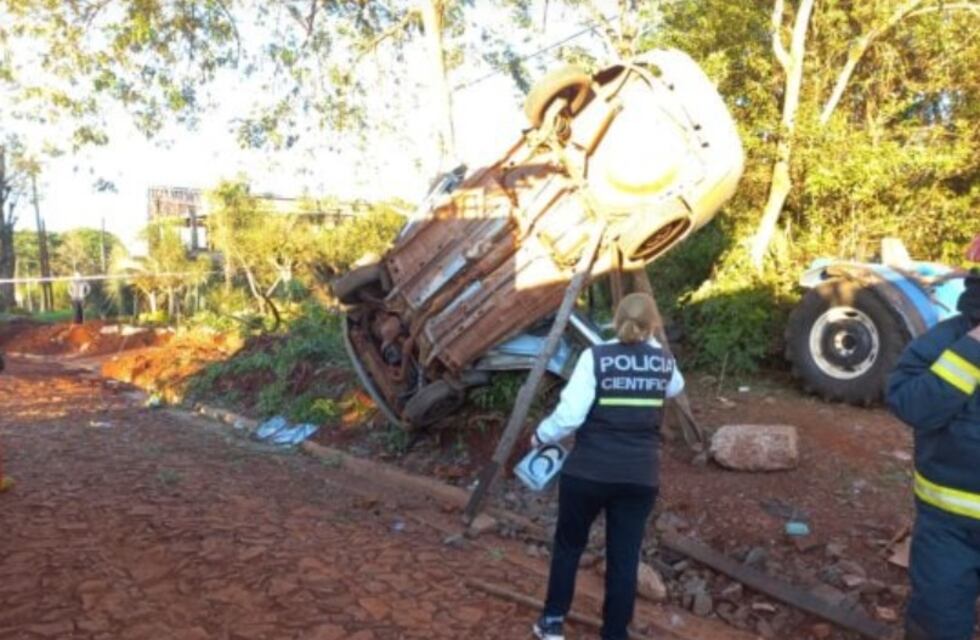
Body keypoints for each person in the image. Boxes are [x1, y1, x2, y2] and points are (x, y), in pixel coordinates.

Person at [531, 293, 684, 640]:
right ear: (653, 324)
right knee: (624, 558)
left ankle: (553, 622)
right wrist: (654, 344)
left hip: (588, 473)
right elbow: (677, 387)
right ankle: (615, 633)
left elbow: (570, 416)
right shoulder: (663, 361)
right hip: (639, 477)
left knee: (569, 546)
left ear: (616, 320)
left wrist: (541, 436)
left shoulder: (595, 357)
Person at [886, 255, 980, 640]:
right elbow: (910, 404)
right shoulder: (948, 340)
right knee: (937, 623)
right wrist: (973, 350)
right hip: (947, 530)